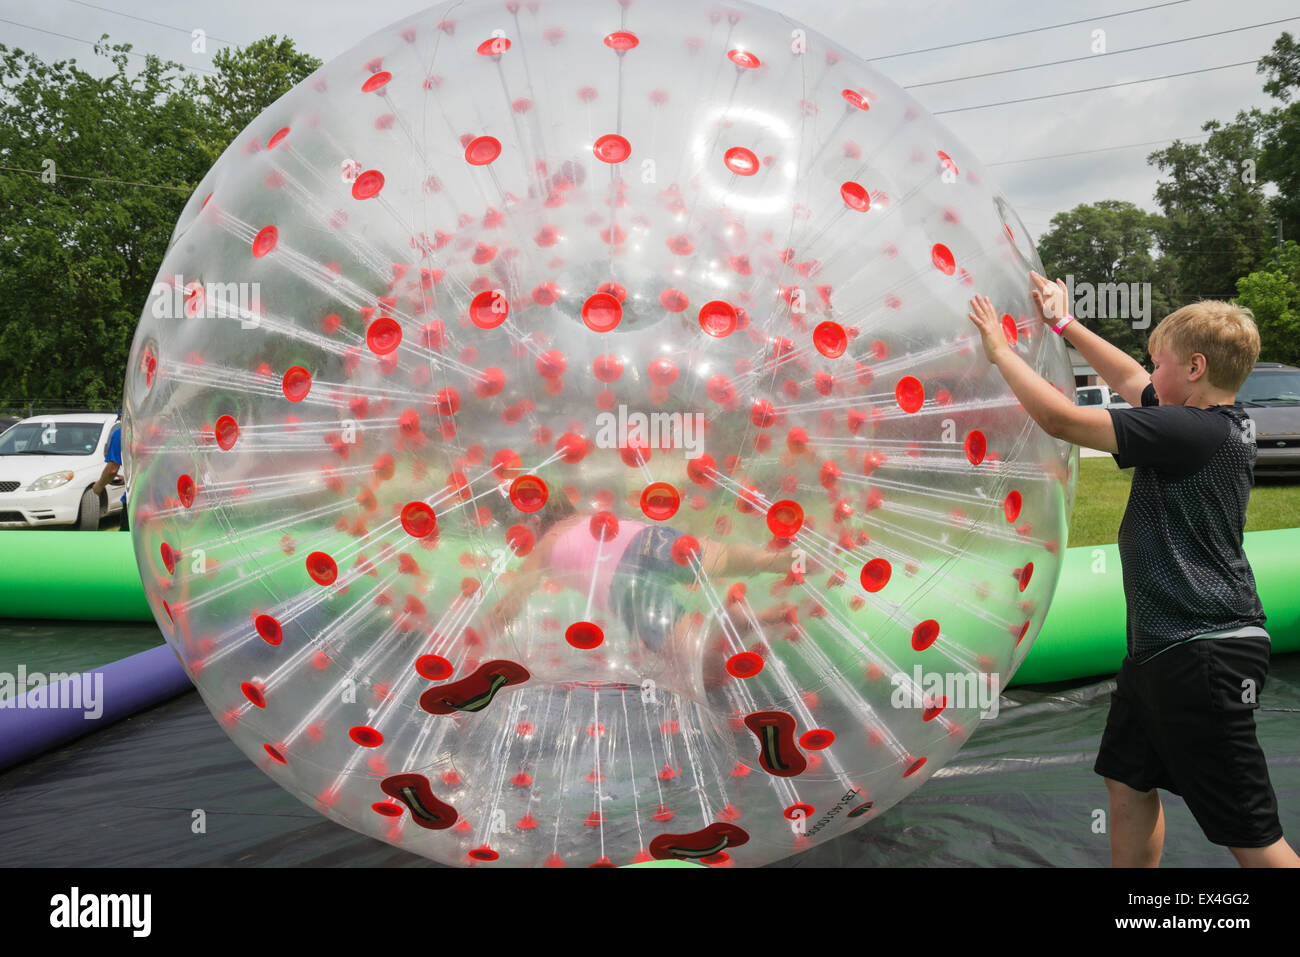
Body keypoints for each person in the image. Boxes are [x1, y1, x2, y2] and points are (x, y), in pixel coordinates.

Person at [967, 272, 1298, 868]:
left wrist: (1000, 352)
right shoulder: (1213, 422)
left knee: (1249, 833)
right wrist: (1064, 325)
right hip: (1160, 651)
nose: (1148, 379)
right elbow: (1128, 378)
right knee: (1128, 781)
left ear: (1194, 367)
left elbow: (1065, 422)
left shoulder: (1188, 431)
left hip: (1203, 653)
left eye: (1160, 364)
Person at [92, 414, 128, 531]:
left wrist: (99, 486)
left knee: (128, 544)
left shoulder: (123, 433)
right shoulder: (161, 431)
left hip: (136, 503)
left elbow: (112, 469)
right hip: (163, 502)